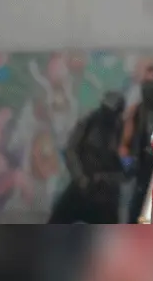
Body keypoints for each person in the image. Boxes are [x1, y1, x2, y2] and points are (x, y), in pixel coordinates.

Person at [48, 92, 126, 223]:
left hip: (106, 196)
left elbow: (126, 166)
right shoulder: (90, 121)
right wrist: (80, 178)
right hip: (82, 187)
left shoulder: (122, 130)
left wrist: (106, 179)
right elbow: (71, 150)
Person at [117, 65, 153, 223]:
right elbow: (125, 142)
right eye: (146, 82)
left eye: (152, 82)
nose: (148, 86)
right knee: (135, 211)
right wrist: (126, 160)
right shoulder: (137, 110)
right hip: (141, 167)